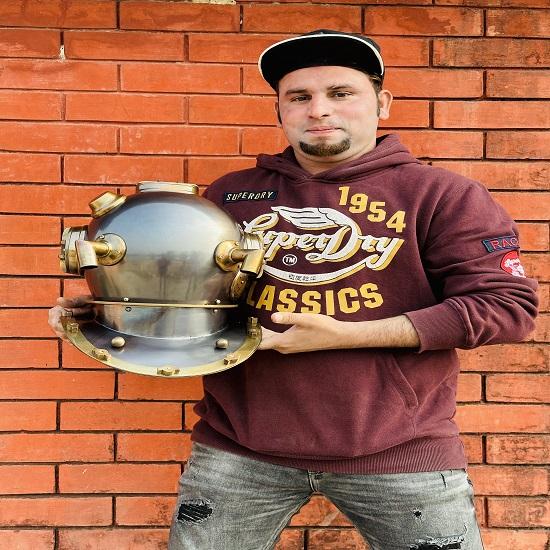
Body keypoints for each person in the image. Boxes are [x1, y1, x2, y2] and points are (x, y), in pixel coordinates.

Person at [49, 30, 538, 550]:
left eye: (341, 93)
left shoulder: (443, 196)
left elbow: (507, 308)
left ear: (382, 104)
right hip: (238, 451)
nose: (319, 110)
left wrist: (348, 335)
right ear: (280, 110)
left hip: (402, 453)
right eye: (299, 97)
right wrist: (114, 311)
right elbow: (205, 302)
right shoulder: (231, 195)